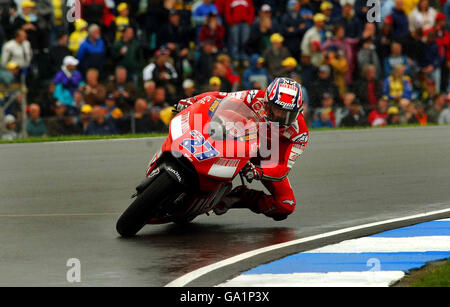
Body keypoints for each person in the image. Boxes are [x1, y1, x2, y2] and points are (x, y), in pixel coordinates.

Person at [175, 77, 309, 221]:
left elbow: (283, 168)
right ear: (266, 101)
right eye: (275, 110)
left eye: (286, 114)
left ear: (298, 112)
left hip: (266, 160)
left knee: (286, 205)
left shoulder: (300, 134)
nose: (279, 117)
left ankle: (238, 197)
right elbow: (220, 97)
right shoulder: (254, 97)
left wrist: (258, 172)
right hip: (241, 138)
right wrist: (193, 101)